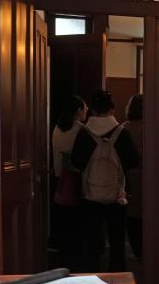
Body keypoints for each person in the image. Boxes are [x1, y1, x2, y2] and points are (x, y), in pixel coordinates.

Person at [71, 90, 140, 272]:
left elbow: (76, 162)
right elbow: (133, 161)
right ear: (112, 109)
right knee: (117, 239)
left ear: (93, 110)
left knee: (91, 239)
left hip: (90, 195)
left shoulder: (84, 133)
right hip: (117, 195)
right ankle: (117, 275)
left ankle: (91, 273)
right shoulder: (122, 133)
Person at [51, 95, 86, 269]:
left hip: (59, 179)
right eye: (85, 108)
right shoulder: (81, 129)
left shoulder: (57, 128)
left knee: (63, 221)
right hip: (74, 179)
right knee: (75, 222)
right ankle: (75, 259)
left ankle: (63, 257)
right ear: (78, 110)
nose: (86, 111)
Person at [123, 94, 143, 261]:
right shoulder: (150, 126)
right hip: (146, 175)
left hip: (127, 175)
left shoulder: (123, 128)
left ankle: (137, 251)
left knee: (131, 213)